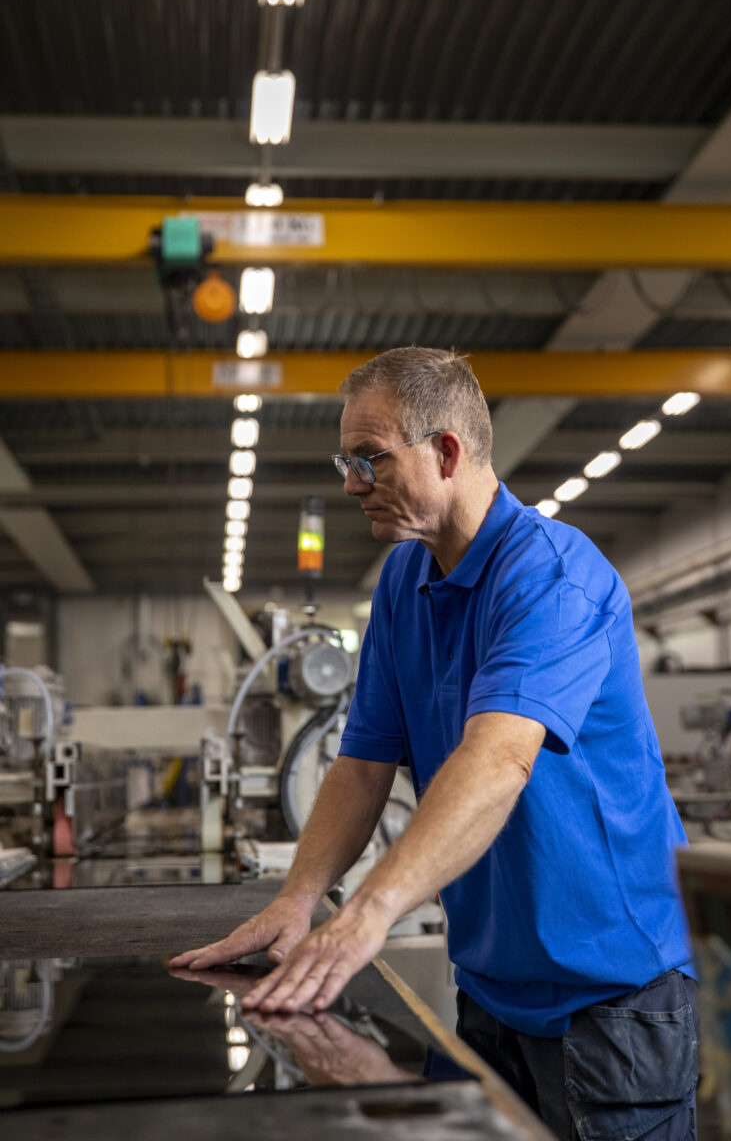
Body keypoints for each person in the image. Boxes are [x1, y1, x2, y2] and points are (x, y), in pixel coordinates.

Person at [172, 347, 699, 1140]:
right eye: (346, 460)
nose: (352, 482)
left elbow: (499, 759)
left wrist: (371, 912)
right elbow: (361, 764)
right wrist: (300, 899)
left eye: (370, 459)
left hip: (613, 999)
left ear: (446, 451)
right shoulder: (401, 585)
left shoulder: (554, 578)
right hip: (489, 989)